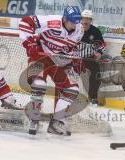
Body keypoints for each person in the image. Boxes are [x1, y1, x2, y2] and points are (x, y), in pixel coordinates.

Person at [19, 6, 85, 135]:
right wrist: (29, 43)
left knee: (72, 89)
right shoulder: (52, 21)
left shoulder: (80, 29)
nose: (74, 25)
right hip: (40, 57)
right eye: (72, 21)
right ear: (65, 18)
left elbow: (71, 48)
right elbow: (25, 22)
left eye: (76, 22)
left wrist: (76, 59)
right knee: (39, 85)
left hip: (59, 61)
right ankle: (34, 118)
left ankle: (56, 123)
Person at [79, 9, 106, 107]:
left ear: (91, 21)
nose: (85, 21)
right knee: (69, 75)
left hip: (89, 58)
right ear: (80, 19)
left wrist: (99, 53)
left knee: (96, 75)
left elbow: (102, 44)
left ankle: (93, 98)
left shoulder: (95, 31)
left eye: (88, 19)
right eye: (83, 18)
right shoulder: (75, 29)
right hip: (75, 58)